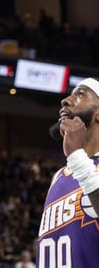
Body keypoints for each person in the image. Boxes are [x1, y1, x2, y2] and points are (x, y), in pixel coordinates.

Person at [38, 77, 99, 266]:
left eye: (80, 94)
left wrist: (77, 157)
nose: (66, 101)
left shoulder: (79, 164)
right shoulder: (58, 176)